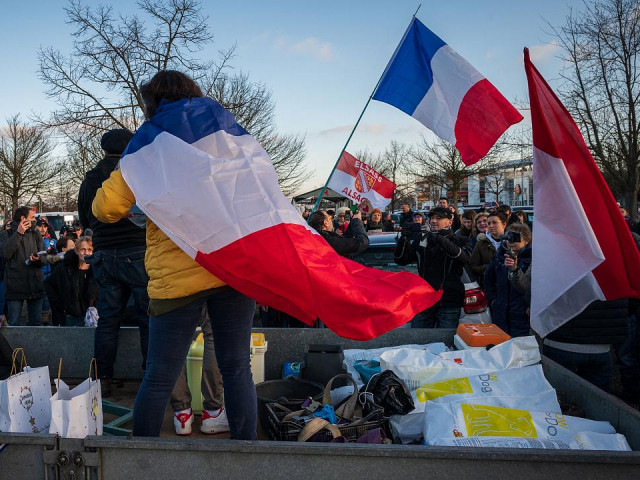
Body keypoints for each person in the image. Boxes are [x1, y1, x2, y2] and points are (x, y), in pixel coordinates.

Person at [92, 70, 257, 440]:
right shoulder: (227, 135)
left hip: (177, 275)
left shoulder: (149, 144)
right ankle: (249, 457)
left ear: (152, 104)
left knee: (159, 374)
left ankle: (142, 459)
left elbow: (104, 208)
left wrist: (133, 175)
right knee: (237, 368)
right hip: (232, 267)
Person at [78, 128, 150, 398]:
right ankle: (149, 378)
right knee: (147, 318)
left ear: (103, 150)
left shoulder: (92, 178)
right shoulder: (136, 173)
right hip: (138, 252)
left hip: (105, 255)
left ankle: (103, 378)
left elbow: (85, 218)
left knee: (107, 320)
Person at [399, 207, 471, 328]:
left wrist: (437, 238)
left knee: (444, 342)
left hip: (449, 301)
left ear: (450, 221)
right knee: (418, 342)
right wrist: (403, 239)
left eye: (439, 218)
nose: (433, 221)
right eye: (432, 218)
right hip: (424, 300)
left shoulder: (461, 240)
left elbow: (463, 257)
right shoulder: (423, 240)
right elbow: (402, 260)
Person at [172, 310, 229, 435]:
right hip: (205, 290)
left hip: (176, 292)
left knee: (175, 336)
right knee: (212, 335)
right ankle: (213, 413)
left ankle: (182, 414)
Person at [0, 207, 48, 326]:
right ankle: (14, 346)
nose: (35, 220)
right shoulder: (6, 234)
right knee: (14, 323)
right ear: (23, 218)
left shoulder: (36, 234)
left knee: (35, 324)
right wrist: (19, 233)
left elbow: (45, 257)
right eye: (32, 217)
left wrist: (38, 259)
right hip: (15, 286)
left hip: (35, 284)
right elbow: (5, 253)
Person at [484, 223, 532, 337]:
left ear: (526, 241)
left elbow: (528, 287)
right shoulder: (498, 258)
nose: (511, 242)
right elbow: (488, 281)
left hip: (521, 314)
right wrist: (493, 301)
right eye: (508, 238)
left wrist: (515, 269)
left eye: (516, 238)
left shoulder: (531, 260)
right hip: (500, 312)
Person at [44, 236, 98, 327]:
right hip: (70, 318)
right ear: (76, 251)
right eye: (83, 249)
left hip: (93, 318)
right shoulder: (65, 268)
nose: (86, 253)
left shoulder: (97, 270)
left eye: (90, 249)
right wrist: (59, 304)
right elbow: (48, 284)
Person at [469, 211, 507, 288]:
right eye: (489, 223)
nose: (491, 226)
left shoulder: (512, 242)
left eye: (494, 223)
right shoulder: (481, 244)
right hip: (490, 286)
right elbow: (473, 267)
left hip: (509, 286)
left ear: (504, 224)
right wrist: (490, 267)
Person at [37, 218, 56, 325]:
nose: (42, 228)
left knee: (47, 296)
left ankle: (46, 317)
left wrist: (54, 255)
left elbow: (58, 256)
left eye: (45, 226)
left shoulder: (52, 241)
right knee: (39, 296)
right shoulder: (34, 240)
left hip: (49, 274)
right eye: (40, 226)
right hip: (37, 273)